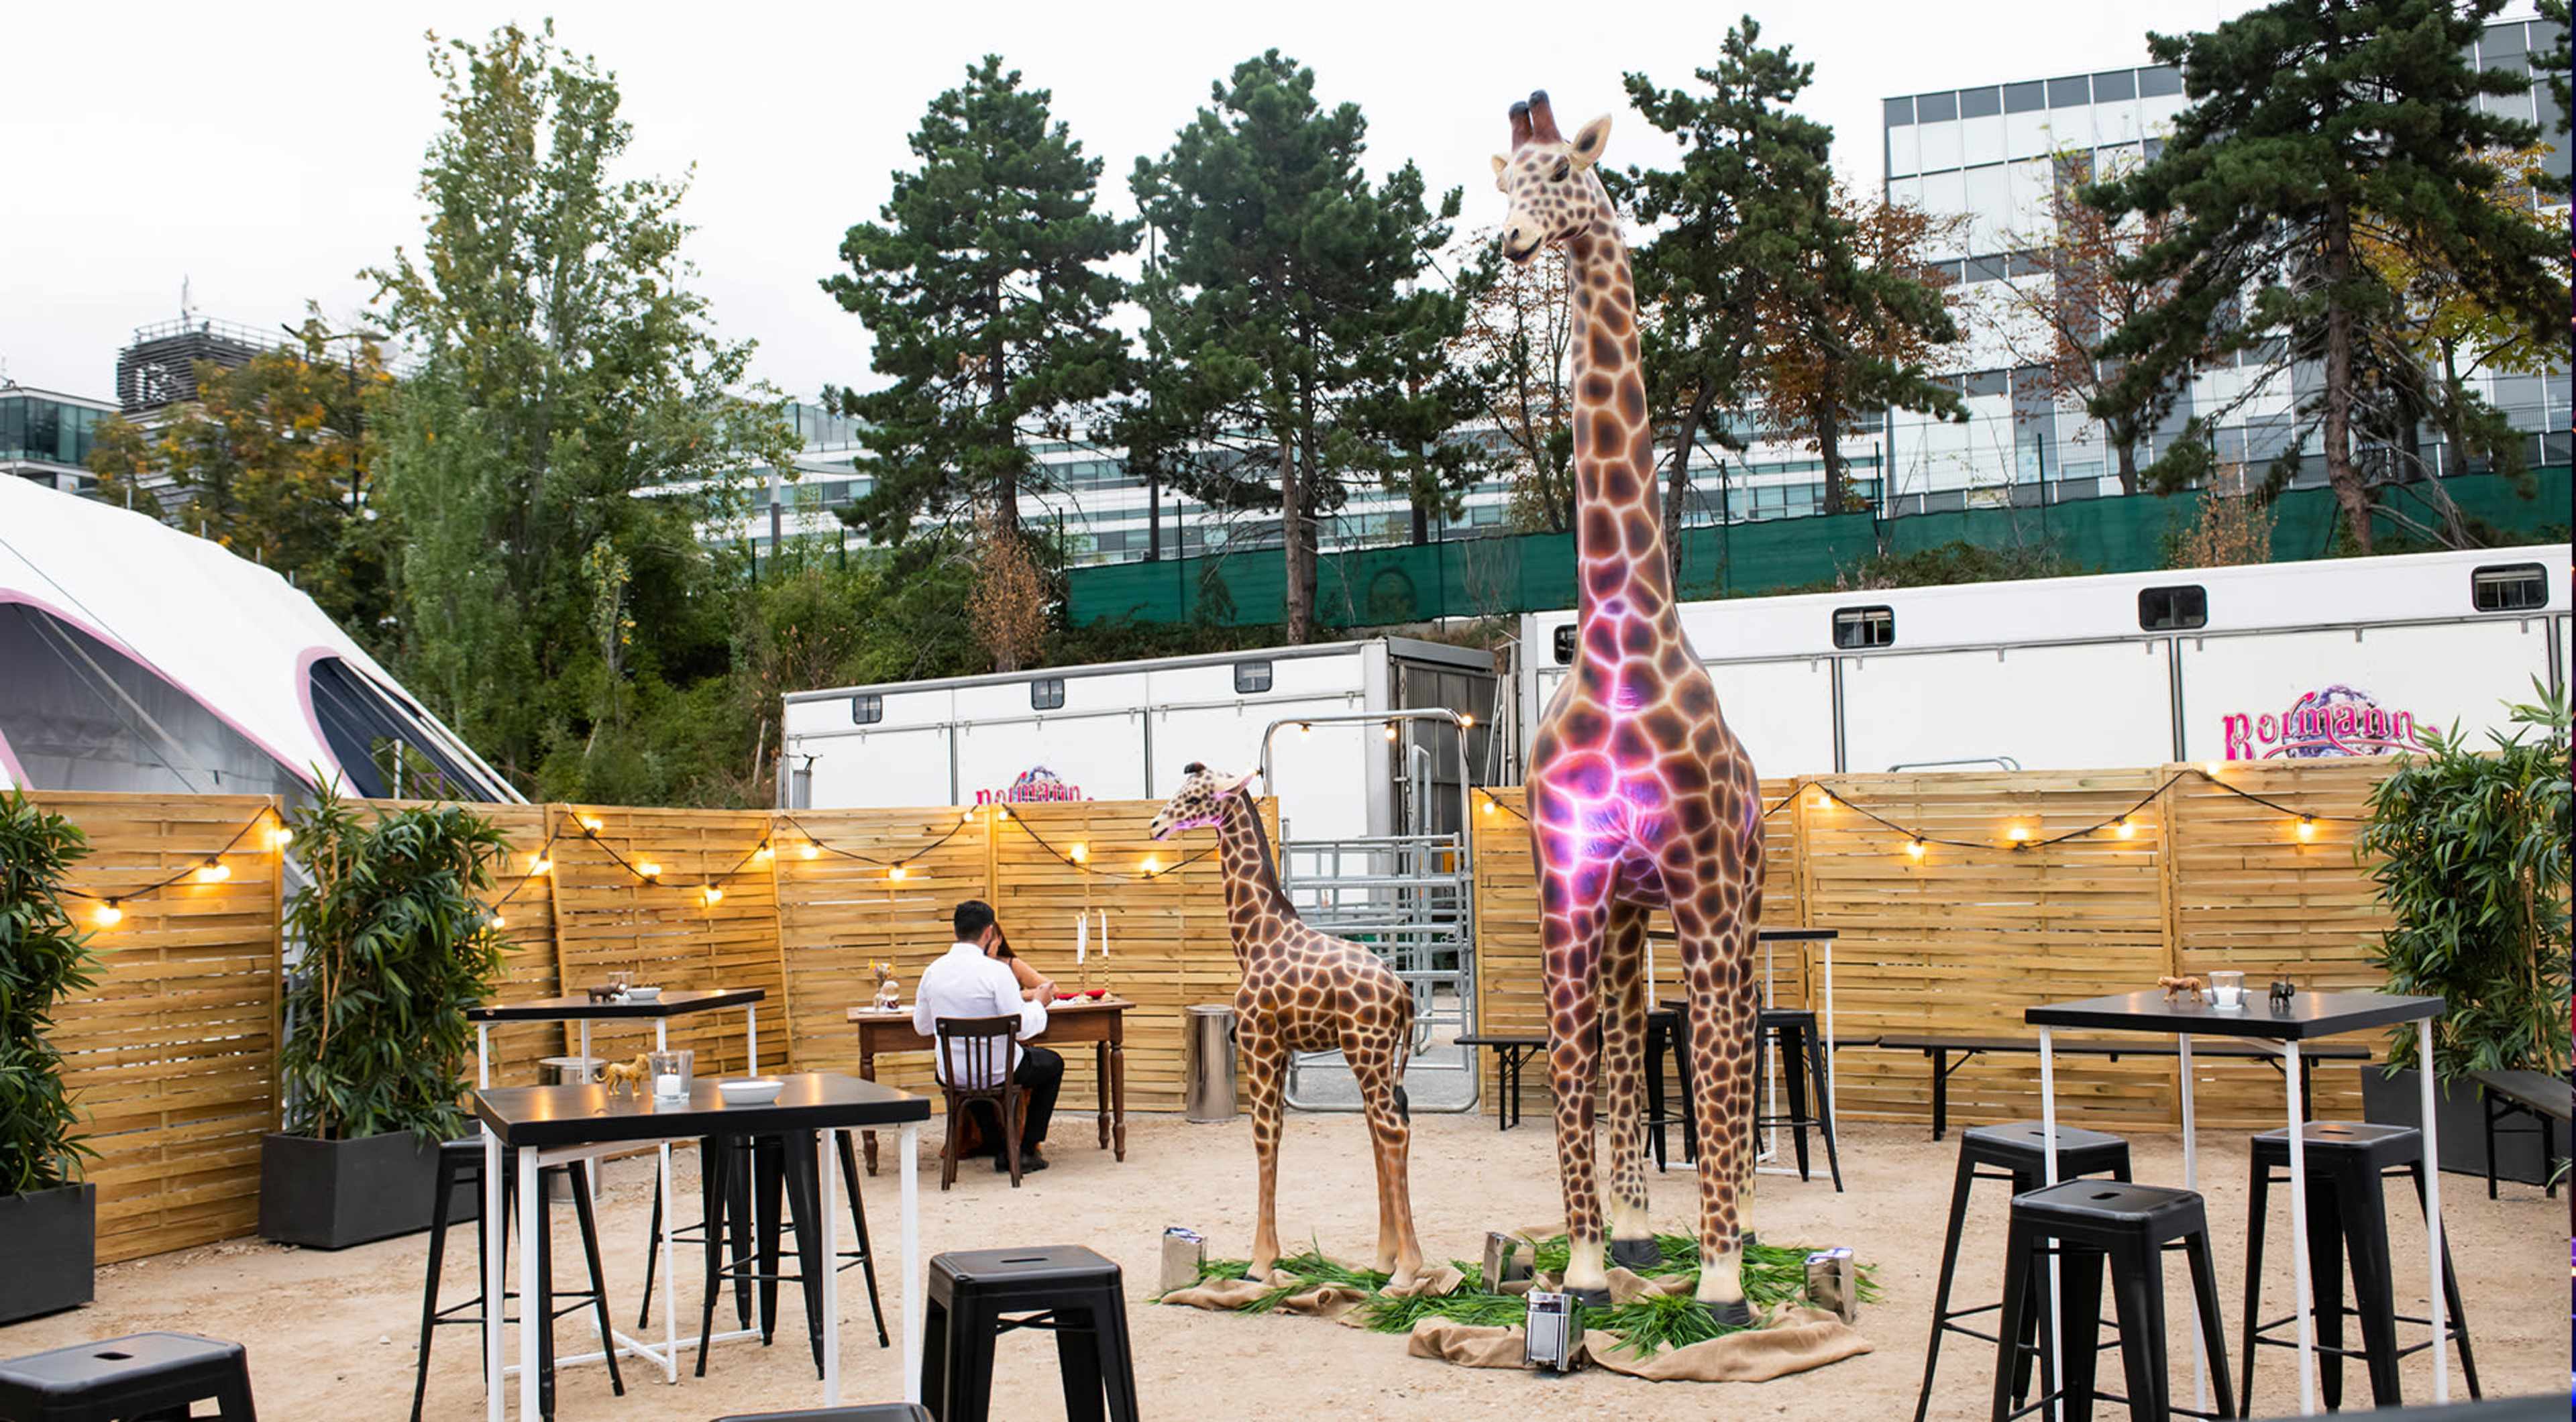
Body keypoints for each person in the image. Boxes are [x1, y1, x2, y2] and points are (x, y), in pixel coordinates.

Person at [912, 899, 1062, 1172]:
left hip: (952, 1073)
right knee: (1052, 1064)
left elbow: (922, 1027)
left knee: (971, 1076)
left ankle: (999, 1145)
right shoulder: (997, 972)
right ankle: (1026, 1149)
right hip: (1000, 1071)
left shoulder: (932, 972)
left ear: (955, 930)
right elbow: (1023, 1027)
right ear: (989, 932)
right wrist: (1039, 1003)